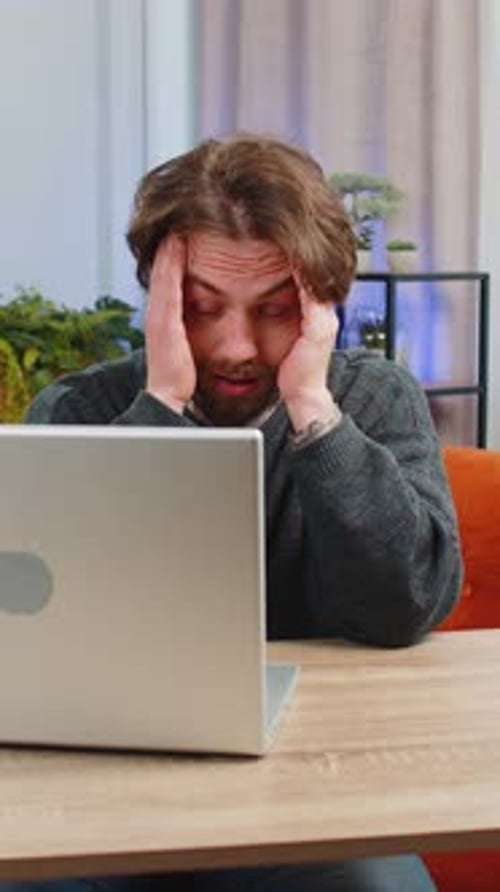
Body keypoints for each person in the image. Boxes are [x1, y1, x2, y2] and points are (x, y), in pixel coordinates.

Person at [7, 132, 462, 892]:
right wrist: (160, 406)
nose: (235, 346)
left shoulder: (372, 401)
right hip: (108, 805)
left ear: (325, 304)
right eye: (198, 307)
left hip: (325, 803)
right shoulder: (81, 409)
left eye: (276, 310)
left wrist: (314, 410)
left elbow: (403, 606)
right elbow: (49, 638)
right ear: (153, 293)